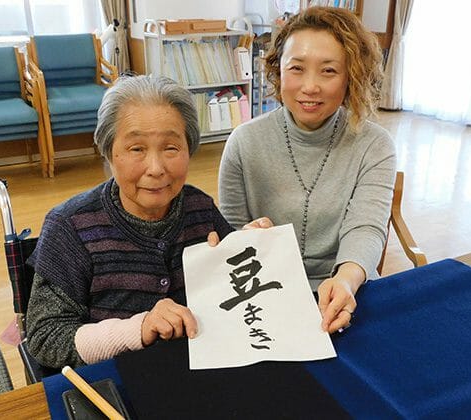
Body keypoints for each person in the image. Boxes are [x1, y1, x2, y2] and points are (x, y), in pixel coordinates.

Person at [26, 75, 250, 368]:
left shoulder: (200, 209)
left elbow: (239, 293)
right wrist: (137, 329)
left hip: (203, 368)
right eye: (136, 149)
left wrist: (254, 247)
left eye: (171, 148)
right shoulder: (70, 227)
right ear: (108, 152)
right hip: (118, 381)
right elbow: (46, 337)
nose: (156, 169)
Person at [219, 7, 396, 334]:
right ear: (278, 71)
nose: (310, 87)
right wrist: (242, 237)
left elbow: (366, 228)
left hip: (348, 292)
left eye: (328, 71)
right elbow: (229, 231)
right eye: (297, 68)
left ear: (351, 76)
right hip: (263, 294)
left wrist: (345, 279)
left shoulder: (375, 145)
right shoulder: (244, 142)